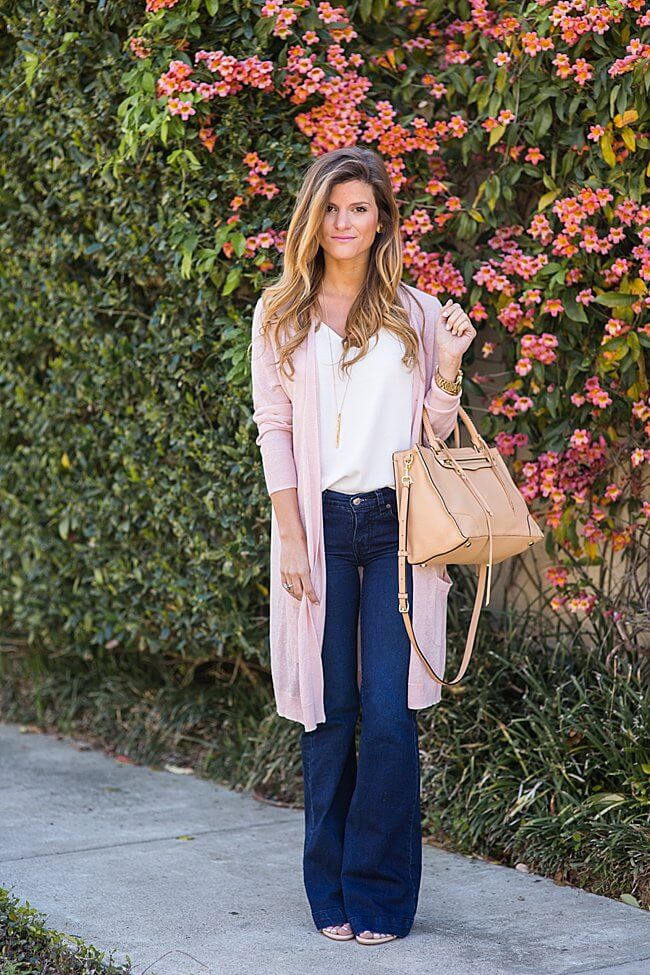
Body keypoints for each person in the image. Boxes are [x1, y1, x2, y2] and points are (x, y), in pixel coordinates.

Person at [250, 146, 476, 945]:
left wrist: (448, 366)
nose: (345, 222)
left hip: (397, 532)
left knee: (387, 715)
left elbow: (435, 431)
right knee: (327, 709)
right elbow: (274, 428)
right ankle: (331, 892)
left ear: (381, 220)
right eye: (333, 208)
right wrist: (291, 539)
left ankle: (381, 896)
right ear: (313, 218)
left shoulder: (414, 310)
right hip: (320, 527)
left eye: (360, 208)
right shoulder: (280, 312)